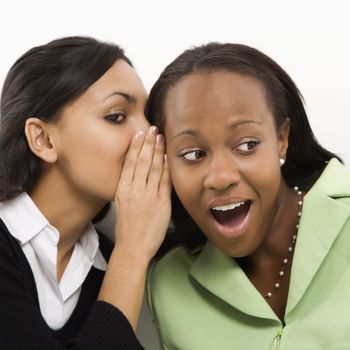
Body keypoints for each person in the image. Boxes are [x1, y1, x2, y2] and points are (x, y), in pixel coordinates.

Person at [146, 42, 350, 349]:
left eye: (246, 145)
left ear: (282, 140)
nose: (220, 177)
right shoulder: (168, 286)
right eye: (193, 153)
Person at [0, 36, 171, 350]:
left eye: (148, 116)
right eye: (116, 116)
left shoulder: (104, 259)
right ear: (43, 140)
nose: (149, 135)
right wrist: (133, 251)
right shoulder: (125, 257)